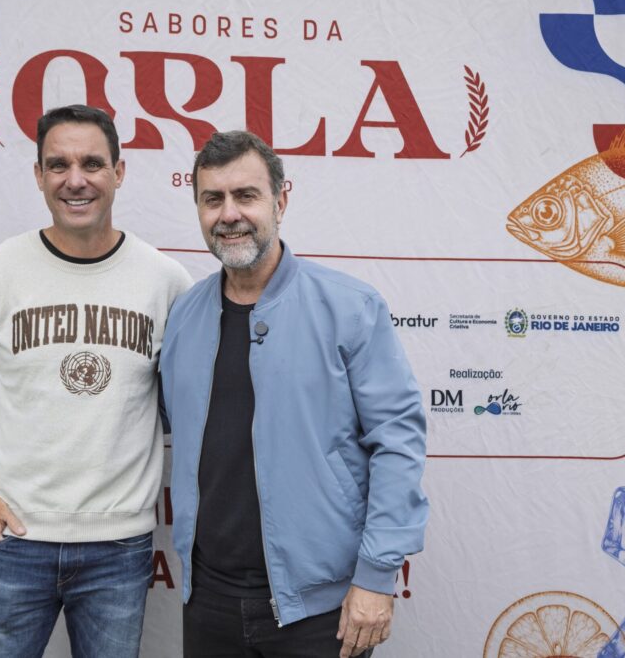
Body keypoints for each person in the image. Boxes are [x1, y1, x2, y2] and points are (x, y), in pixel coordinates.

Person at [0, 104, 192, 657]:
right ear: (38, 175)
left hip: (119, 545)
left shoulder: (166, 281)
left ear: (119, 172)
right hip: (15, 538)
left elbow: (191, 402)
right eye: (59, 165)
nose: (76, 180)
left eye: (92, 164)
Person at [160, 131, 429, 658]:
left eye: (246, 195)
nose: (229, 214)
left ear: (280, 202)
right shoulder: (184, 316)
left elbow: (397, 444)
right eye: (213, 199)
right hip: (208, 601)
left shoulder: (350, 307)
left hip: (320, 610)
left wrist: (376, 575)